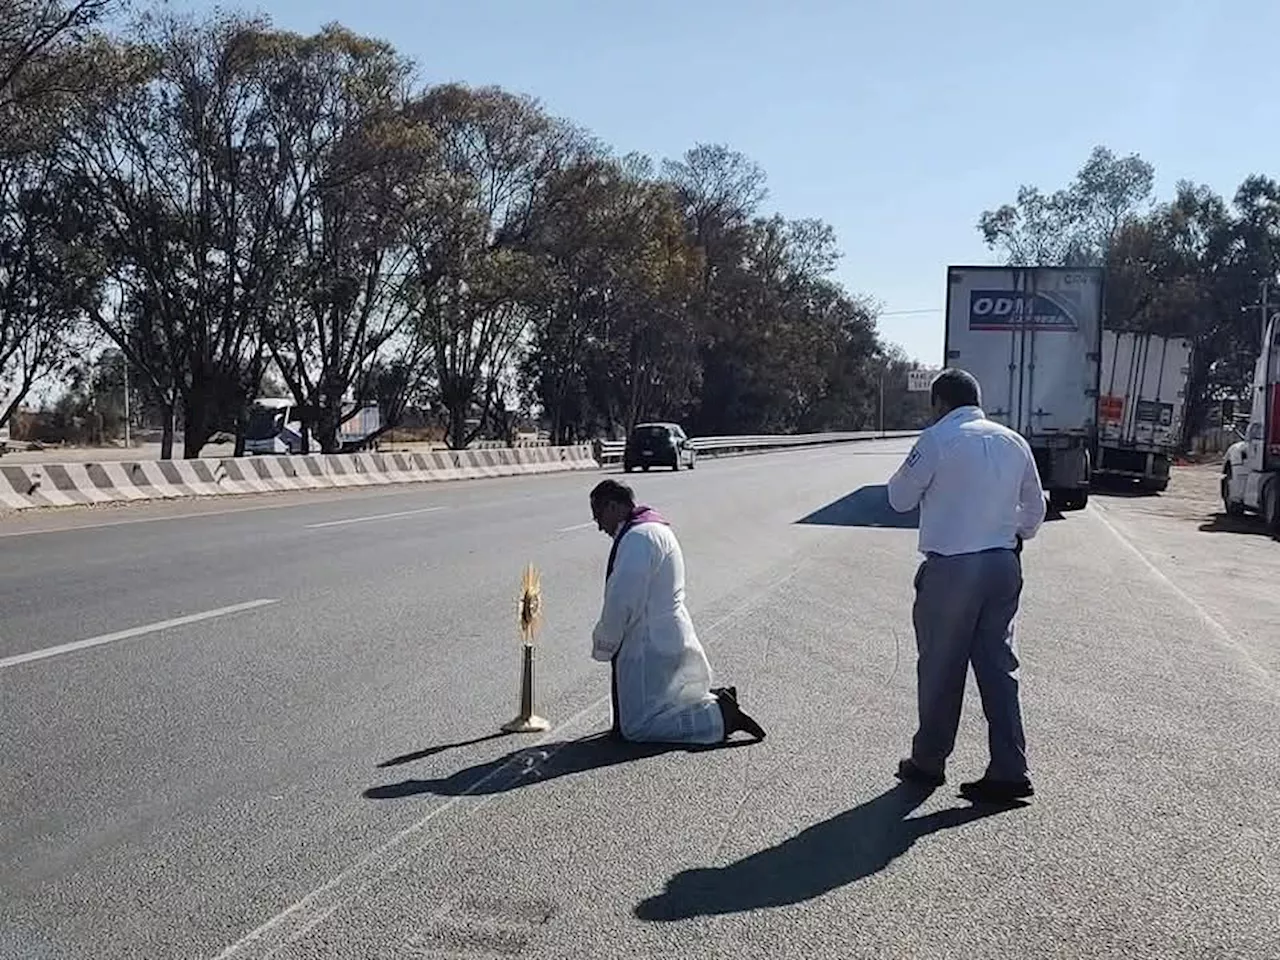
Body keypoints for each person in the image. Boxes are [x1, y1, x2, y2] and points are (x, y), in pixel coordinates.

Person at [886, 368, 1046, 802]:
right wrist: (1016, 535)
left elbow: (898, 498)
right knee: (999, 668)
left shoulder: (937, 439)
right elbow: (1036, 505)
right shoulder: (1013, 441)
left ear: (940, 403)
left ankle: (929, 761)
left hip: (953, 569)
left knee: (940, 667)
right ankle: (1011, 769)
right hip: (1002, 565)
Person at [588, 479, 766, 745]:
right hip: (662, 635)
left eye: (598, 516)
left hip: (649, 644)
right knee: (657, 706)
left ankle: (718, 715)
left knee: (638, 726)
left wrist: (605, 643)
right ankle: (716, 704)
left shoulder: (638, 538)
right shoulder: (652, 530)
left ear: (613, 507)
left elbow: (622, 600)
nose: (600, 526)